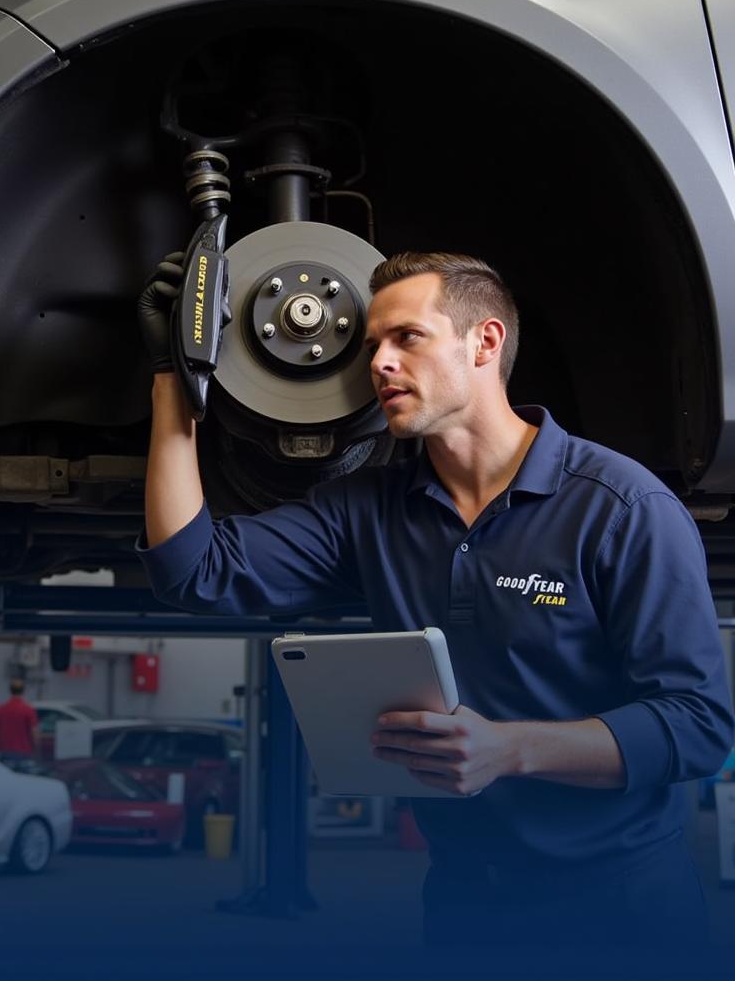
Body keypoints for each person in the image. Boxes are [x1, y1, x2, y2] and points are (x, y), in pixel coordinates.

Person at [136, 250, 735, 950]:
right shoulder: (369, 512)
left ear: (484, 342)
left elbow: (698, 725)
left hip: (624, 914)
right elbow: (194, 571)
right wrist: (174, 378)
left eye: (406, 338)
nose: (379, 363)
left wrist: (507, 750)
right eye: (370, 347)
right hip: (464, 907)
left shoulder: (621, 507)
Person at [0, 679, 39, 771]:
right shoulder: (28, 709)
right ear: (23, 691)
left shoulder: (1, 709)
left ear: (10, 690)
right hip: (24, 753)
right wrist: (36, 749)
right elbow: (34, 733)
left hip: (5, 752)